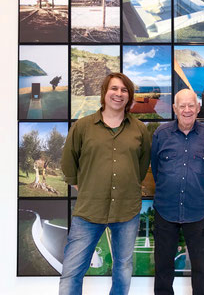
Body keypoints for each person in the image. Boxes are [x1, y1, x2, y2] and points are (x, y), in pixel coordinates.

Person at [59, 72, 151, 295]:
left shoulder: (140, 129)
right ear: (104, 93)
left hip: (126, 210)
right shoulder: (82, 127)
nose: (118, 94)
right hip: (89, 210)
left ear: (129, 96)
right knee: (72, 271)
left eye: (124, 90)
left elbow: (141, 166)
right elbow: (69, 165)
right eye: (114, 89)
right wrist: (89, 188)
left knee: (123, 268)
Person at [151, 89, 204, 295]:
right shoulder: (160, 134)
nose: (187, 110)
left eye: (191, 105)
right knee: (162, 269)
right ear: (174, 109)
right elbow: (156, 168)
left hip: (197, 210)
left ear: (198, 108)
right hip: (165, 210)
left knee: (200, 270)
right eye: (182, 106)